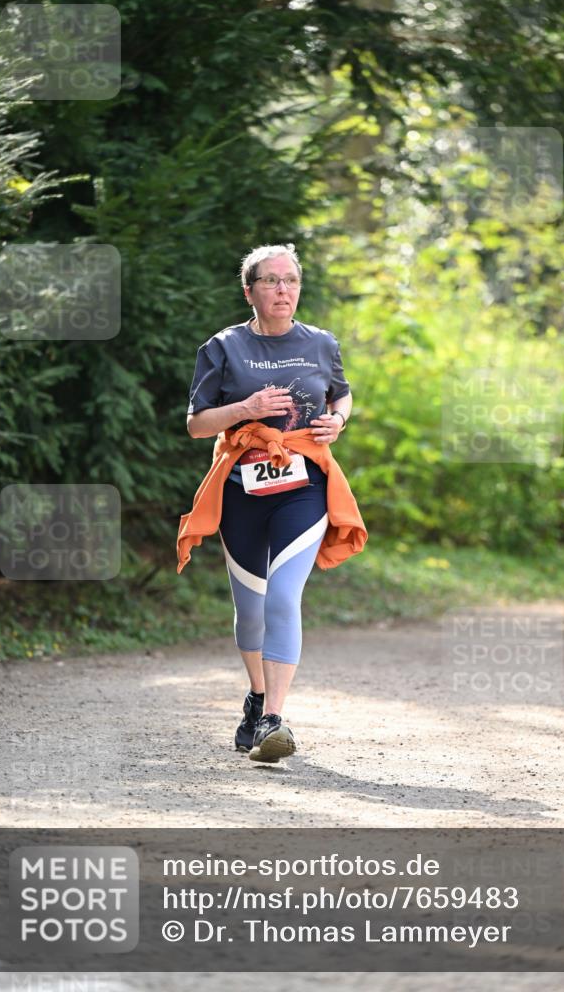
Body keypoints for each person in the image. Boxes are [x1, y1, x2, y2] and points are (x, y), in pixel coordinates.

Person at [181, 243, 366, 763]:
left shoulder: (322, 343)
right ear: (250, 290)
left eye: (291, 280)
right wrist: (246, 408)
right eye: (271, 281)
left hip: (304, 487)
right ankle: (257, 694)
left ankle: (272, 720)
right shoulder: (222, 348)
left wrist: (339, 419)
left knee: (284, 597)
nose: (283, 290)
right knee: (251, 609)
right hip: (242, 489)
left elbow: (340, 392)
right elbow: (196, 424)